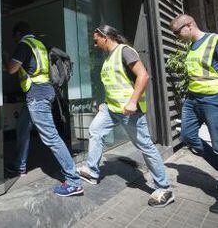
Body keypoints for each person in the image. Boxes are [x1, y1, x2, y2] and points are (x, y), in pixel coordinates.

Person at [77, 25, 174, 207]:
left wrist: (132, 101)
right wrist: (105, 102)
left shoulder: (125, 51)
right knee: (95, 130)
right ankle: (92, 171)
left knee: (145, 146)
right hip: (112, 110)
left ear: (105, 37)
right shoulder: (108, 59)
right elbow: (115, 84)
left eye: (96, 40)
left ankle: (164, 188)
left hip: (130, 111)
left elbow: (143, 76)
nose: (95, 44)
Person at [4, 21, 83, 196]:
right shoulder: (40, 44)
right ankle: (20, 165)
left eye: (14, 36)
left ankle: (73, 181)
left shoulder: (24, 45)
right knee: (23, 127)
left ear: (18, 34)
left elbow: (11, 69)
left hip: (37, 95)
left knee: (51, 137)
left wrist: (5, 57)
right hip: (43, 91)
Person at [170, 14, 218, 213]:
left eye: (177, 32)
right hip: (193, 99)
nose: (176, 37)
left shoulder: (214, 41)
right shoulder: (191, 47)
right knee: (187, 136)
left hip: (213, 99)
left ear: (189, 26)